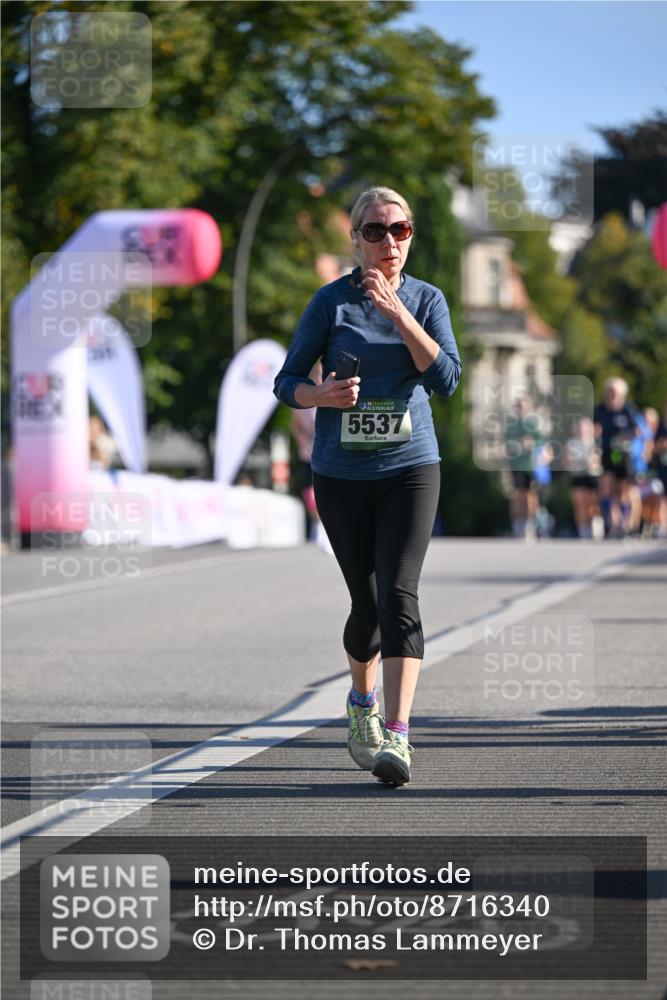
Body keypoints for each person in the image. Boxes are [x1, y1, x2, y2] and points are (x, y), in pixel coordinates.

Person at [273, 186, 462, 786]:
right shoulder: (329, 303)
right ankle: (362, 705)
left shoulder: (427, 300)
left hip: (411, 467)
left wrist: (398, 314)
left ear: (411, 236)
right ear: (355, 239)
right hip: (342, 473)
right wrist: (320, 395)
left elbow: (448, 377)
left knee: (401, 596)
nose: (388, 242)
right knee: (368, 605)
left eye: (399, 230)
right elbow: (286, 380)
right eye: (375, 232)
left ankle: (400, 736)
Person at [593, 377, 641, 537]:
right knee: (607, 489)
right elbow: (593, 429)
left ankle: (629, 524)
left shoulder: (628, 409)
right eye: (610, 392)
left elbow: (638, 431)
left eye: (616, 392)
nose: (612, 395)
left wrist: (625, 437)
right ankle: (612, 524)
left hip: (624, 456)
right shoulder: (600, 410)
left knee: (625, 491)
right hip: (607, 454)